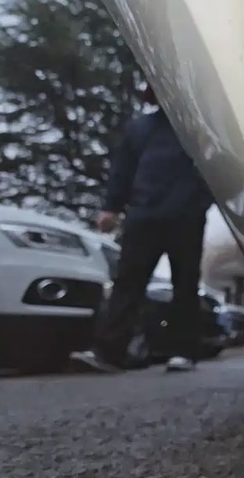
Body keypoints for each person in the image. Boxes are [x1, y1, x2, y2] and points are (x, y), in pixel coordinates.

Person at [71, 84, 214, 373]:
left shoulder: (199, 129)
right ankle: (109, 352)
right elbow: (122, 170)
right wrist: (111, 207)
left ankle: (183, 352)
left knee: (185, 284)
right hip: (143, 216)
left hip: (186, 217)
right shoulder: (139, 128)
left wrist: (201, 202)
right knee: (127, 283)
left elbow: (217, 168)